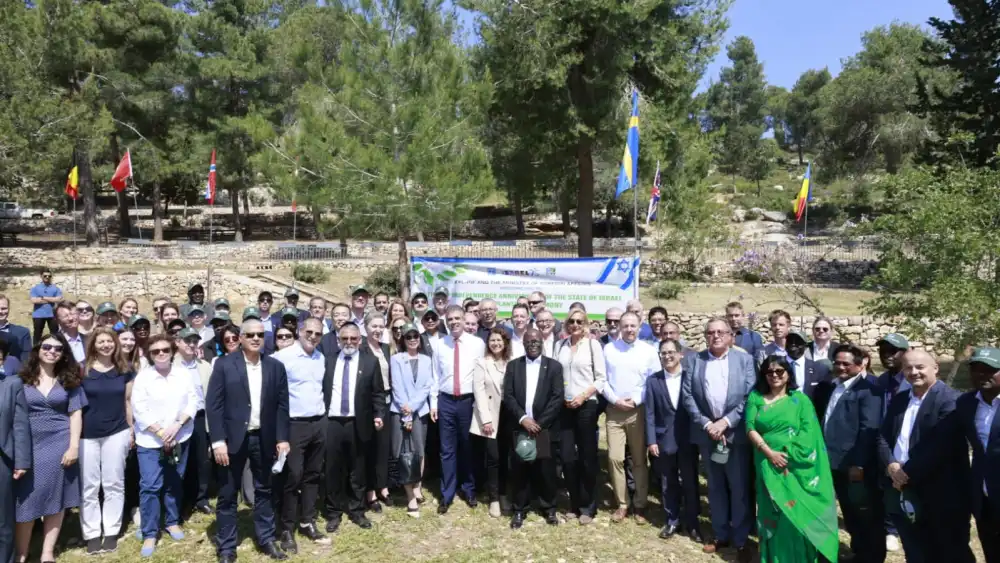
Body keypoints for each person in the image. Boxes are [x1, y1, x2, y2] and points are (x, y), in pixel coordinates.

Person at [877, 349, 973, 563]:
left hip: (941, 491)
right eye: (908, 367)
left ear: (935, 367)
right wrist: (891, 465)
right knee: (915, 549)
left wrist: (904, 473)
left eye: (920, 367)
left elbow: (938, 446)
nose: (914, 372)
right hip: (902, 487)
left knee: (949, 551)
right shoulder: (901, 399)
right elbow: (883, 436)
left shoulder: (951, 400)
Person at [207, 320, 291, 563]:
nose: (255, 338)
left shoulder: (275, 367)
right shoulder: (224, 365)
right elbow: (214, 406)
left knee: (264, 490)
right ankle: (227, 547)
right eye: (250, 335)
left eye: (260, 334)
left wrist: (282, 437)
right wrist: (217, 441)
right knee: (227, 494)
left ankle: (266, 538)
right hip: (231, 440)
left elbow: (282, 406)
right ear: (241, 338)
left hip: (263, 438)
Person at [746, 355, 838, 563]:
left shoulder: (800, 400)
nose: (775, 376)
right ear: (764, 375)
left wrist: (788, 454)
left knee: (795, 512)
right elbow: (750, 428)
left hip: (795, 466)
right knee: (772, 509)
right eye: (770, 372)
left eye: (780, 371)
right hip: (767, 462)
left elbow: (809, 432)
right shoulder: (756, 398)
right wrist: (770, 453)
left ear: (788, 374)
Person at [681, 318, 756, 558]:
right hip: (708, 435)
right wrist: (707, 424)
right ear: (705, 336)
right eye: (711, 332)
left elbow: (749, 396)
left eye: (721, 332)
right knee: (715, 487)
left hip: (734, 434)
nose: (716, 336)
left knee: (739, 487)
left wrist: (725, 422)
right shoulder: (696, 360)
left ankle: (742, 539)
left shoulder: (744, 360)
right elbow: (688, 396)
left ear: (730, 336)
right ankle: (721, 533)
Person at [14, 334, 84, 563]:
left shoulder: (69, 380)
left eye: (58, 348)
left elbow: (75, 413)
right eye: (47, 347)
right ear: (38, 349)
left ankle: (47, 552)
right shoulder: (21, 380)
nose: (52, 351)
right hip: (29, 445)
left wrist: (73, 446)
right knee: (26, 500)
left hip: (59, 443)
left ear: (63, 354)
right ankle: (22, 553)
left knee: (56, 498)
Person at [813, 344, 884, 563]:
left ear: (860, 364)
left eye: (846, 363)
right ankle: (859, 553)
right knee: (851, 514)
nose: (841, 367)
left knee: (866, 515)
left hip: (855, 466)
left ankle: (871, 557)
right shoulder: (835, 386)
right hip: (834, 463)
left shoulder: (868, 389)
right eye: (837, 362)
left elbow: (868, 429)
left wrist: (859, 464)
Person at [130, 334, 198, 557]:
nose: (161, 354)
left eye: (165, 350)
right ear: (149, 355)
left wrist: (177, 426)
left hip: (180, 436)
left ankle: (172, 521)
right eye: (155, 351)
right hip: (150, 441)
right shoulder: (143, 378)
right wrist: (160, 432)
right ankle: (149, 532)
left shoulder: (183, 374)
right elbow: (139, 409)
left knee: (173, 481)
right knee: (150, 485)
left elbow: (193, 401)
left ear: (172, 351)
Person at [271, 318, 328, 554]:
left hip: (318, 422)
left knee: (313, 475)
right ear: (299, 332)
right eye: (309, 332)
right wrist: (279, 434)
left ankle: (307, 521)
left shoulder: (320, 357)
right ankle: (286, 528)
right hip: (294, 425)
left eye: (318, 333)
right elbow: (273, 399)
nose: (313, 336)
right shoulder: (281, 359)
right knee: (292, 477)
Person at [321, 322, 385, 532]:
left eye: (353, 338)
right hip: (333, 423)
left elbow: (378, 393)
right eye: (344, 338)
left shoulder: (370, 362)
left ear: (360, 340)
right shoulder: (328, 361)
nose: (349, 342)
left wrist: (379, 415)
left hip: (359, 423)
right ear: (338, 340)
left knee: (358, 470)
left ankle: (357, 510)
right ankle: (333, 512)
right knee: (333, 470)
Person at [79, 327, 135, 554]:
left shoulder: (125, 370)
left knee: (114, 483)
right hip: (87, 434)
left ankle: (111, 530)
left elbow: (128, 401)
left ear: (115, 344)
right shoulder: (82, 369)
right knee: (89, 486)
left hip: (117, 432)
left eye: (109, 341)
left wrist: (131, 430)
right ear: (93, 344)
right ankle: (92, 533)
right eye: (100, 342)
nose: (105, 345)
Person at [503, 328, 563, 529]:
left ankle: (549, 508)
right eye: (529, 341)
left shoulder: (554, 367)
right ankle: (519, 509)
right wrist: (523, 419)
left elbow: (557, 397)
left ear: (542, 342)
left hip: (544, 428)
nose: (533, 344)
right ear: (524, 344)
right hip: (521, 427)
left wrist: (539, 423)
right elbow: (508, 396)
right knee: (520, 469)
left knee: (546, 470)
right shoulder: (513, 366)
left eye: (536, 340)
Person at [602, 312, 658, 523]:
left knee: (638, 460)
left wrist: (635, 399)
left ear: (640, 326)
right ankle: (622, 503)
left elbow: (653, 383)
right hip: (615, 410)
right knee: (615, 458)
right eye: (625, 325)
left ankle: (640, 504)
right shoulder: (609, 349)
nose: (629, 329)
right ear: (620, 327)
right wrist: (615, 399)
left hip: (638, 410)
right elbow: (603, 380)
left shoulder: (649, 351)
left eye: (633, 325)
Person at [645, 339, 701, 542]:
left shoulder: (691, 377)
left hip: (688, 439)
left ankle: (692, 522)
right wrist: (651, 441)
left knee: (690, 482)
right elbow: (650, 413)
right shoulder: (653, 381)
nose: (667, 356)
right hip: (664, 439)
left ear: (680, 354)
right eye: (663, 353)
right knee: (668, 482)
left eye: (671, 352)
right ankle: (672, 520)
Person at [431, 305, 485, 514]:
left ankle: (469, 489)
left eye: (457, 318)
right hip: (445, 401)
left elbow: (480, 375)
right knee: (447, 449)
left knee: (468, 446)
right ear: (445, 321)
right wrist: (434, 403)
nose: (453, 322)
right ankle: (447, 494)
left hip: (467, 401)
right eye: (450, 319)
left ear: (464, 320)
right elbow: (435, 376)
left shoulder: (477, 344)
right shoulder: (439, 345)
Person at [554, 308, 606, 525]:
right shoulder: (560, 346)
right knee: (567, 458)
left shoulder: (593, 345)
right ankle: (574, 504)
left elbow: (601, 379)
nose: (575, 324)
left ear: (585, 324)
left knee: (587, 458)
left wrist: (583, 396)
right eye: (571, 321)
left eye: (579, 321)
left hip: (586, 406)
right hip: (564, 408)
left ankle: (588, 506)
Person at [957, 347, 1000, 562]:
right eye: (976, 369)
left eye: (989, 370)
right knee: (991, 550)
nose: (982, 375)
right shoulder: (966, 403)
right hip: (983, 496)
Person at [390, 323, 434, 517]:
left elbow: (427, 386)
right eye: (408, 336)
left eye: (415, 335)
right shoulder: (397, 359)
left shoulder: (426, 360)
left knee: (419, 451)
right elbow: (397, 386)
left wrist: (413, 408)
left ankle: (417, 484)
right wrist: (406, 413)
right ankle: (410, 497)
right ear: (403, 339)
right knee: (404, 452)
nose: (413, 339)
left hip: (419, 411)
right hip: (400, 411)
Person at [471, 327, 512, 518]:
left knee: (507, 457)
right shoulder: (481, 363)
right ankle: (494, 498)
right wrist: (485, 419)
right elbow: (478, 392)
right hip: (490, 416)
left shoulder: (512, 363)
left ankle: (505, 493)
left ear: (505, 343)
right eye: (492, 340)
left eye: (499, 340)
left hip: (509, 416)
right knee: (493, 458)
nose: (495, 344)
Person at [173, 327, 214, 517]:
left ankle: (201, 498)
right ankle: (182, 500)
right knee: (182, 460)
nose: (191, 344)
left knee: (201, 460)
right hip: (178, 419)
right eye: (187, 340)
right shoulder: (171, 366)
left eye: (194, 341)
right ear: (177, 342)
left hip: (199, 417)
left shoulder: (204, 366)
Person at [0, 349, 30, 563]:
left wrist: (21, 461)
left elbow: (19, 425)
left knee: (3, 521)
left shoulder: (12, 384)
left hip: (2, 460)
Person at [360, 313, 392, 511]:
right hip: (368, 404)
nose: (378, 330)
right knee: (369, 450)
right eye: (374, 326)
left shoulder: (387, 349)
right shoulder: (362, 349)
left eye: (381, 326)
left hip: (387, 402)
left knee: (383, 449)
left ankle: (384, 487)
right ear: (366, 327)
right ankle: (370, 492)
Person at [783, 331, 831, 399]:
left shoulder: (819, 369)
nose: (793, 344)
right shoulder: (775, 365)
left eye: (798, 341)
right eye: (790, 341)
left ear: (805, 346)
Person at [29, 270, 62, 344]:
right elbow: (33, 300)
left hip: (52, 315)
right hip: (38, 315)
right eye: (45, 276)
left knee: (55, 334)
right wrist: (51, 299)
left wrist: (43, 297)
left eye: (49, 276)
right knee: (37, 334)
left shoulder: (55, 288)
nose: (47, 277)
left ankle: (56, 347)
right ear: (41, 276)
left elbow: (59, 299)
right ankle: (35, 350)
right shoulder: (36, 288)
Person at [0, 295, 32, 362]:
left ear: (9, 309)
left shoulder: (23, 332)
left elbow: (26, 359)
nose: (0, 311)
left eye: (3, 308)